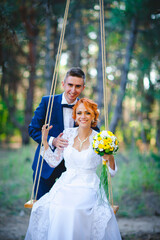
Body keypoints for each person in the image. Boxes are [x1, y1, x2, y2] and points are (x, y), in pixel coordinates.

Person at [25, 98, 122, 240]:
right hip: (66, 184)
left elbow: (112, 173)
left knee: (74, 210)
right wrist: (45, 142)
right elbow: (53, 162)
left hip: (88, 185)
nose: (83, 116)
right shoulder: (68, 134)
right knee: (53, 208)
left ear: (94, 116)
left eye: (87, 113)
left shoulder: (100, 139)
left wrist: (110, 157)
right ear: (75, 116)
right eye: (79, 113)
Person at [29, 67, 98, 199]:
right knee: (42, 207)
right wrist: (52, 140)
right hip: (45, 166)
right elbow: (33, 129)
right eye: (70, 85)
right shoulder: (47, 102)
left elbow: (95, 131)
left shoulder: (85, 108)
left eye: (78, 86)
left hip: (73, 170)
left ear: (83, 88)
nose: (73, 90)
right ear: (63, 84)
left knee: (66, 211)